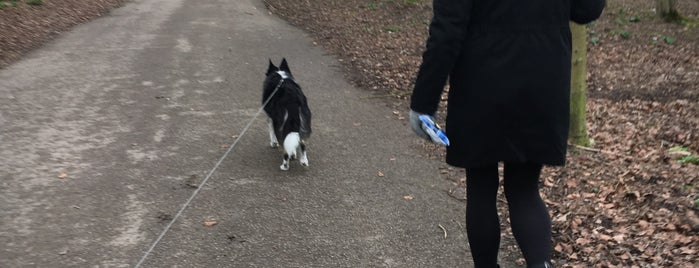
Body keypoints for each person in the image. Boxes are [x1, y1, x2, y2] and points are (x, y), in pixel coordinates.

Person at [409, 0, 605, 267]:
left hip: (481, 84)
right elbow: (586, 10)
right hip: (542, 82)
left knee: (480, 187)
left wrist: (424, 101)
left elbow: (447, 30)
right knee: (524, 188)